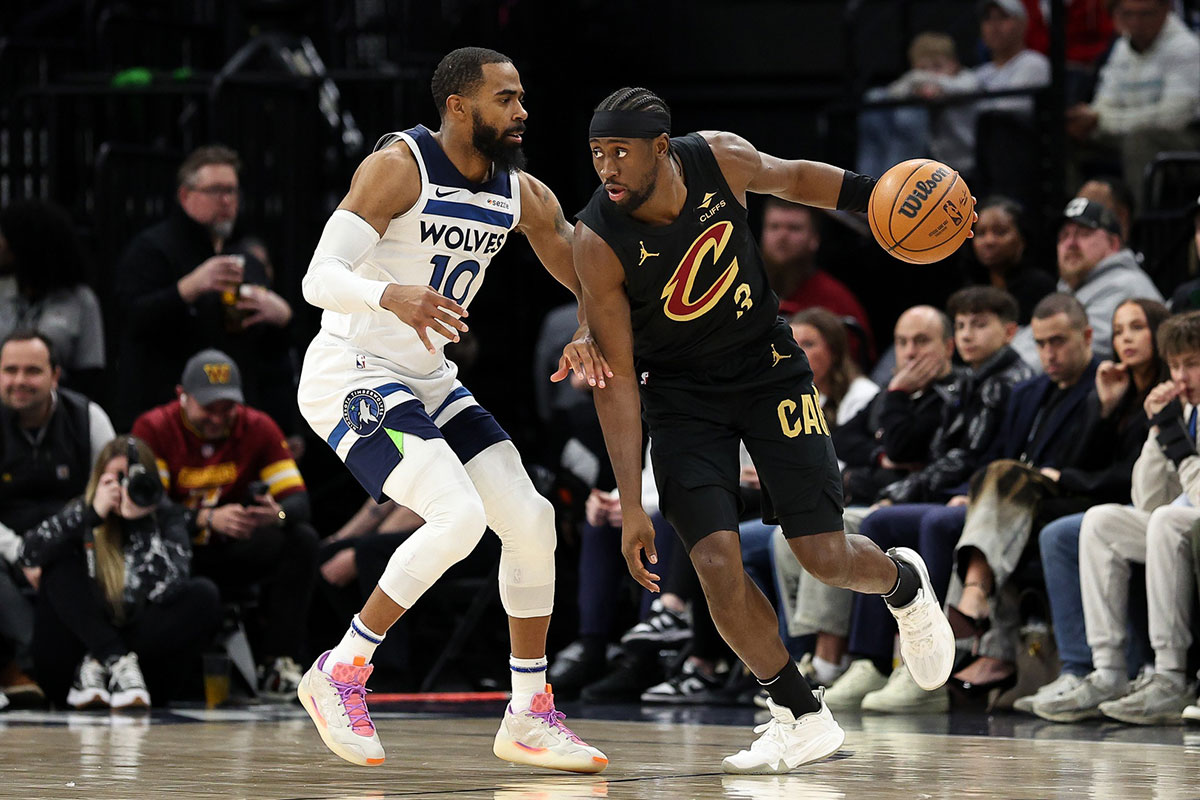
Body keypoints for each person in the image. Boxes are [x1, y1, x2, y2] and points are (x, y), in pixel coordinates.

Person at [574, 86, 955, 774]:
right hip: (683, 399)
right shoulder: (598, 240)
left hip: (769, 371)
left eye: (621, 152)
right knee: (714, 561)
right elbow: (619, 382)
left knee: (824, 558)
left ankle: (902, 585)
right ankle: (800, 714)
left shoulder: (719, 157)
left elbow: (796, 176)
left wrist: (877, 196)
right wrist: (633, 504)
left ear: (661, 148)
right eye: (598, 153)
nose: (608, 168)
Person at [293, 47, 608, 772]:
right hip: (352, 368)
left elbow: (575, 265)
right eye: (506, 98)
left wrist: (591, 324)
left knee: (530, 522)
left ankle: (529, 714)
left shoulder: (523, 193)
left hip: (427, 375)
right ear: (459, 106)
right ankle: (339, 671)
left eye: (523, 97)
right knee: (459, 518)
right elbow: (318, 278)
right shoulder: (399, 165)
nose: (522, 111)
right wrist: (390, 295)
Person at [820, 287, 1032, 712]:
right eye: (964, 325)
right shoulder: (968, 381)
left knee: (930, 523)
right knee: (878, 525)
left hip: (995, 499)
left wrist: (913, 490)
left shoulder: (1008, 380)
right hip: (961, 490)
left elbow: (980, 457)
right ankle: (871, 660)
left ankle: (929, 672)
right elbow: (935, 453)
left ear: (1009, 332)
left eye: (981, 324)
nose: (969, 334)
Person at [1032, 309, 1200, 724]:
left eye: (1192, 365)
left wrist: (1178, 446)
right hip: (1176, 519)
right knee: (1103, 520)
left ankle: (1170, 673)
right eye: (1175, 365)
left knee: (1165, 522)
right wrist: (1158, 435)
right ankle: (1108, 670)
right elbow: (1146, 499)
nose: (1180, 377)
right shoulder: (1184, 408)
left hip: (1185, 521)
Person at [132, 348, 318, 699]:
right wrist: (205, 518)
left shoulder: (258, 426)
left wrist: (273, 514)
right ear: (181, 396)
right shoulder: (154, 427)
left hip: (233, 549)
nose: (217, 419)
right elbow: (146, 506)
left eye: (226, 409)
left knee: (301, 539)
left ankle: (278, 662)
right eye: (208, 409)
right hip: (178, 553)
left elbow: (298, 501)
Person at [20, 436, 221, 709]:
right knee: (59, 562)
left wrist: (141, 524)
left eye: (133, 478)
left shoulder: (166, 517)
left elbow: (167, 587)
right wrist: (91, 514)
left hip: (142, 676)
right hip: (70, 668)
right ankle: (110, 657)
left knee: (203, 594)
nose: (125, 486)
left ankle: (109, 661)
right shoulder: (81, 512)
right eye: (117, 477)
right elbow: (27, 553)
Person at [113, 145, 296, 430]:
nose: (226, 200)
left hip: (238, 411)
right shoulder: (151, 249)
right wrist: (189, 288)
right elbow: (130, 321)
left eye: (232, 191)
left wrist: (282, 316)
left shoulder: (246, 259)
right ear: (185, 195)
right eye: (216, 190)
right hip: (169, 410)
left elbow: (272, 354)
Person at [0, 329, 115, 708]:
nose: (19, 381)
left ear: (55, 375)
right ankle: (17, 666)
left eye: (32, 371)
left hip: (75, 550)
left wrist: (46, 553)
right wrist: (23, 553)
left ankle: (95, 664)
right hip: (7, 552)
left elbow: (110, 492)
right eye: (9, 370)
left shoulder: (87, 417)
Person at [1065, 0, 1200, 208]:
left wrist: (1100, 119)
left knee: (1140, 140)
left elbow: (1173, 117)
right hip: (1124, 132)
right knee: (1065, 135)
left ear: (1165, 10)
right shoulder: (1121, 47)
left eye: (1145, 14)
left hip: (1185, 141)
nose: (1136, 22)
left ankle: (1138, 229)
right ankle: (1076, 222)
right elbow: (1104, 101)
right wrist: (1090, 120)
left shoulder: (1186, 48)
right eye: (1128, 14)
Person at [1011, 198, 1162, 368]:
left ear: (1113, 244)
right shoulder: (1072, 288)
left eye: (1084, 234)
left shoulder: (1126, 285)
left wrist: (1004, 375)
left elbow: (1069, 355)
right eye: (1064, 236)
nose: (1071, 244)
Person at [0, 200, 106, 397]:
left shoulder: (80, 301)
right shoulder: (4, 292)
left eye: (5, 236)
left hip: (56, 408)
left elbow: (90, 376)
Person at [856, 31, 980, 179]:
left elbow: (966, 87)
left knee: (910, 111)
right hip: (927, 150)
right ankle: (869, 182)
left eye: (937, 67)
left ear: (953, 64)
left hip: (954, 159)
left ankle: (893, 181)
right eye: (923, 69)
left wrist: (930, 84)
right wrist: (918, 84)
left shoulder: (967, 78)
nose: (929, 75)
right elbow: (894, 91)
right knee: (875, 97)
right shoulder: (916, 81)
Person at [760, 201, 874, 361]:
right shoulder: (744, 286)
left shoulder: (835, 300)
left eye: (794, 228)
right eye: (774, 226)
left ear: (814, 239)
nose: (782, 236)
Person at [964, 196, 1056, 324]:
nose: (989, 241)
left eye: (1000, 232)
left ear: (1022, 239)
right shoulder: (970, 291)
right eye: (981, 233)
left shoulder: (1040, 287)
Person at [788, 308, 878, 432]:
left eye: (808, 344)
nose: (796, 353)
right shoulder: (785, 393)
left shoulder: (863, 396)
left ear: (834, 351)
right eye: (792, 344)